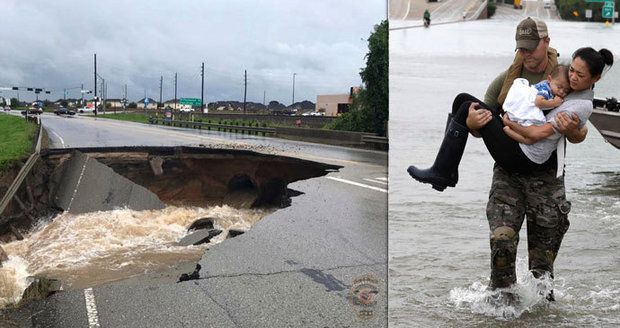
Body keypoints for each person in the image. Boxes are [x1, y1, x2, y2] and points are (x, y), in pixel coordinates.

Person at [408, 16, 614, 302]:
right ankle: (501, 315)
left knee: (542, 268)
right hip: (508, 172)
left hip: (547, 178)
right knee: (502, 246)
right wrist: (471, 123)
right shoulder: (505, 80)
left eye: (531, 48)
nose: (525, 54)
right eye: (520, 48)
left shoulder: (568, 77)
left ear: (547, 43)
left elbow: (579, 133)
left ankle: (544, 317)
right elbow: (488, 130)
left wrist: (572, 129)